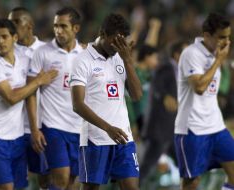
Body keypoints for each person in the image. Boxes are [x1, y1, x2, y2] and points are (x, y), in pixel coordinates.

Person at [0, 19, 57, 190]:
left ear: (14, 37)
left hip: (17, 136)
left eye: (4, 37)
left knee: (18, 186)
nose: (0, 41)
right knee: (4, 187)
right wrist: (37, 81)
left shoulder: (24, 60)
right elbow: (11, 97)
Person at [70, 13, 142, 190]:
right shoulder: (82, 60)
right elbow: (77, 105)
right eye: (114, 41)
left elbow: (137, 95)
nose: (118, 47)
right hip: (96, 139)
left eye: (122, 42)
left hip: (123, 139)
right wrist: (108, 128)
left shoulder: (120, 57)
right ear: (102, 33)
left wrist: (128, 61)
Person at [174, 13, 234, 190]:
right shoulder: (191, 54)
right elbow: (199, 87)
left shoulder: (214, 54)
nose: (226, 42)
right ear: (207, 35)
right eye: (221, 37)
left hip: (216, 127)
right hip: (192, 129)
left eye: (229, 37)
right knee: (192, 183)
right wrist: (219, 61)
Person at [27, 6, 84, 189]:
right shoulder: (42, 53)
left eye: (63, 26)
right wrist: (35, 129)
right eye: (55, 26)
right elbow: (30, 93)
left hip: (79, 128)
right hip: (53, 127)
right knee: (61, 178)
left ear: (76, 28)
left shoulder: (85, 55)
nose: (58, 30)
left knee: (71, 183)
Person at [8, 6, 49, 189]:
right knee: (15, 181)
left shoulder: (47, 51)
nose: (12, 25)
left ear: (30, 25)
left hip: (43, 125)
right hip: (13, 128)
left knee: (46, 178)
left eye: (16, 21)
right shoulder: (5, 54)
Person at [139, 40, 187, 186]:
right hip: (159, 129)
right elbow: (157, 86)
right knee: (147, 167)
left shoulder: (180, 71)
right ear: (177, 54)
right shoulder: (166, 68)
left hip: (170, 129)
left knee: (185, 165)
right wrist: (165, 96)